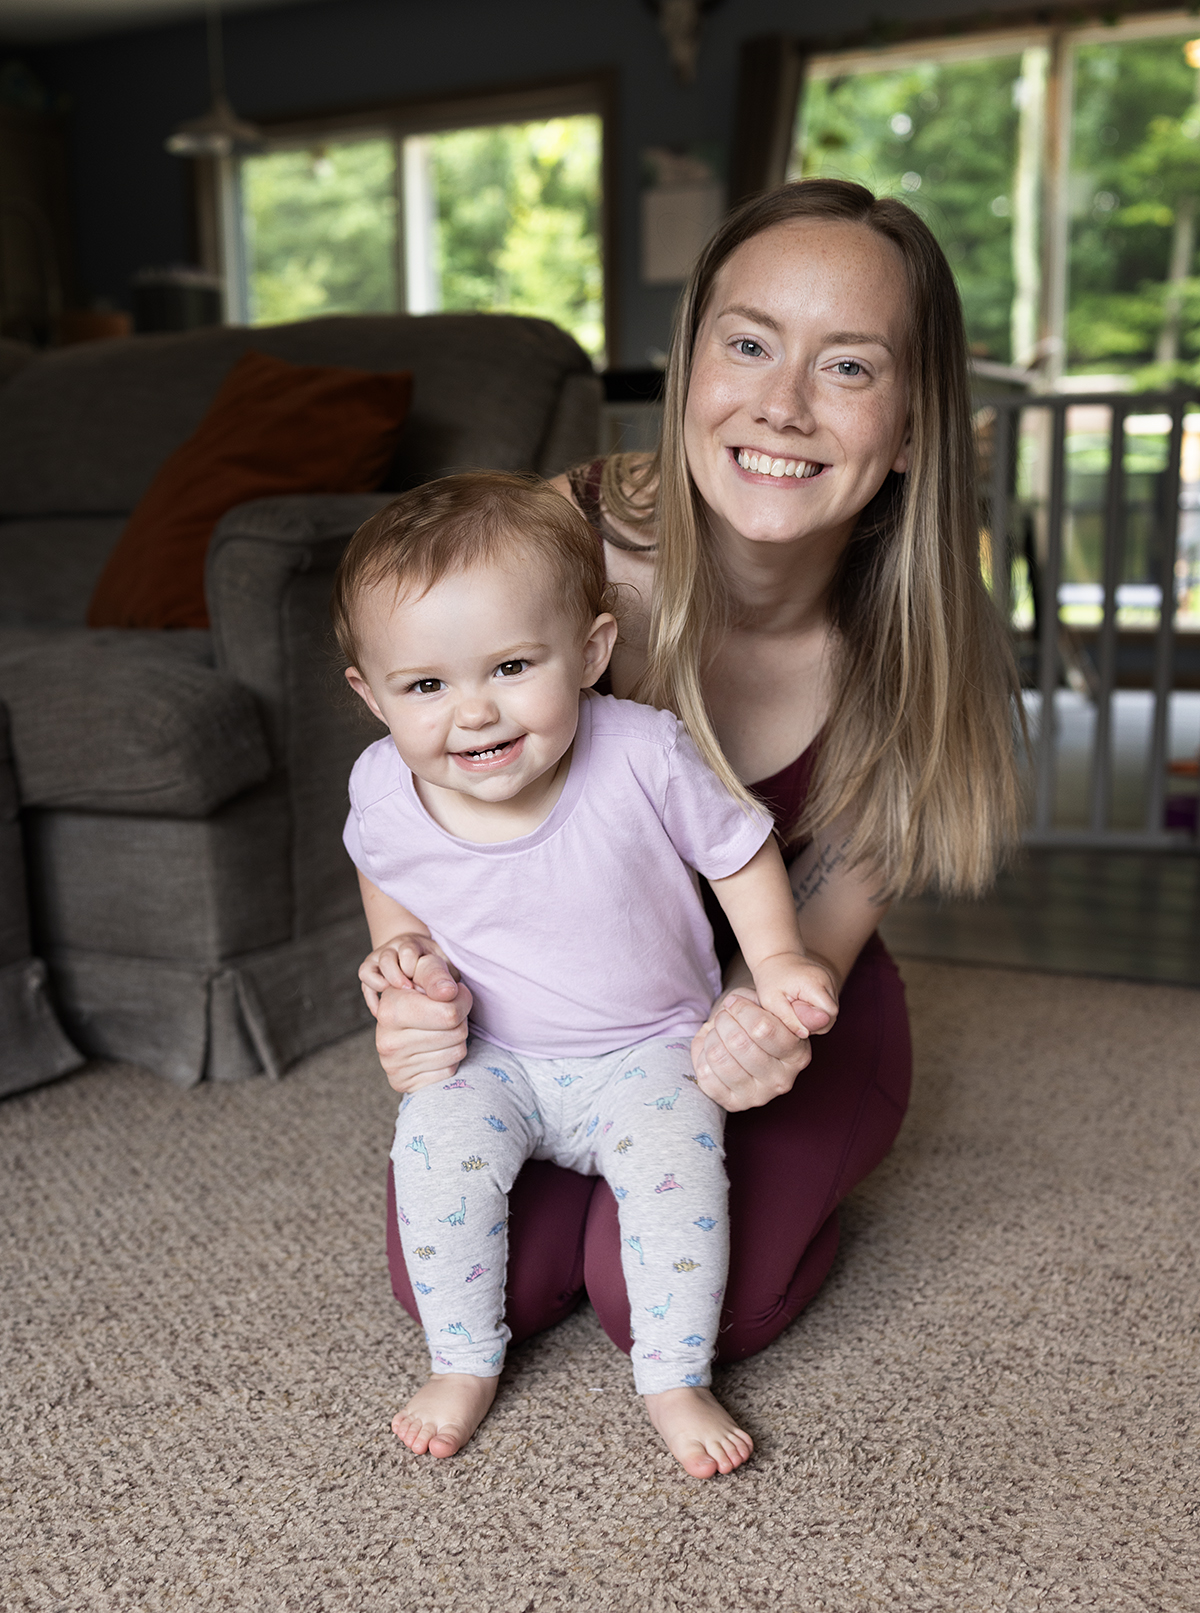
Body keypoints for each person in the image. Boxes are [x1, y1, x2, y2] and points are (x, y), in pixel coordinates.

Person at [369, 178, 1022, 1404]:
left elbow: (812, 931)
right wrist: (407, 987)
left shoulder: (932, 637)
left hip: (775, 1001)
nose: (780, 404)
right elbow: (406, 788)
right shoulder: (556, 543)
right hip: (561, 1004)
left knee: (664, 1300)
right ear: (691, 362)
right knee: (475, 1290)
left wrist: (761, 1023)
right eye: (749, 341)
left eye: (850, 367)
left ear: (918, 421)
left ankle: (803, 1162)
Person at [333, 472, 841, 1476]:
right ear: (371, 693)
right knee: (435, 1154)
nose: (472, 713)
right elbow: (381, 860)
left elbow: (737, 850)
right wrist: (398, 948)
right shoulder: (384, 783)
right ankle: (463, 1358)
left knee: (676, 1189)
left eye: (513, 666)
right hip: (497, 1054)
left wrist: (777, 956)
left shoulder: (643, 752)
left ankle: (673, 1373)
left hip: (648, 1049)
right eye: (425, 686)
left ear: (592, 654)